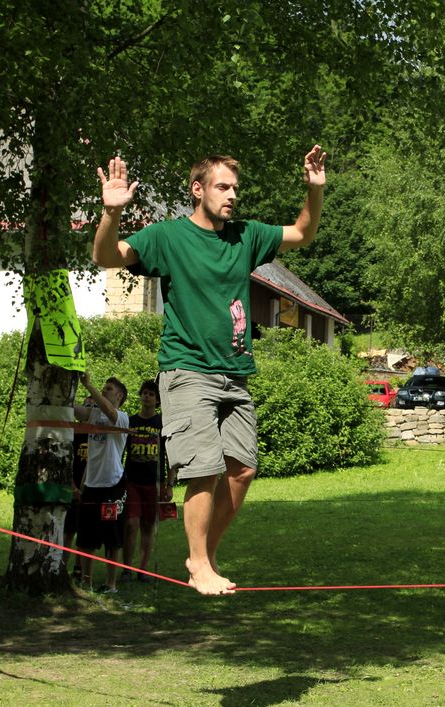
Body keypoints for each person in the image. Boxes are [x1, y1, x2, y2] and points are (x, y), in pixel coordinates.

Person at [92, 146, 327, 595]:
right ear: (197, 190)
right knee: (205, 467)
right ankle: (198, 563)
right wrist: (110, 213)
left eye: (235, 188)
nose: (232, 195)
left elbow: (303, 232)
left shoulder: (245, 236)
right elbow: (106, 256)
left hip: (234, 374)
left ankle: (206, 553)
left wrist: (314, 192)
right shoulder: (168, 237)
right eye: (223, 186)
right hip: (186, 371)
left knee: (241, 470)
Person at [74, 374, 130, 593]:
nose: (104, 391)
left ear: (120, 395)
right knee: (87, 537)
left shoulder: (122, 417)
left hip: (112, 484)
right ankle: (86, 582)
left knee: (112, 537)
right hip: (92, 484)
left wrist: (88, 384)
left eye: (109, 389)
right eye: (104, 388)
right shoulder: (94, 414)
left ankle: (111, 584)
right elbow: (76, 410)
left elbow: (109, 412)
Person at [121, 380, 169, 582]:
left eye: (151, 394)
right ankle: (126, 569)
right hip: (132, 480)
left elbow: (170, 456)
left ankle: (143, 570)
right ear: (140, 396)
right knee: (131, 524)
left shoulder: (162, 424)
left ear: (157, 400)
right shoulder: (130, 422)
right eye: (145, 393)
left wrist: (170, 484)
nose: (147, 397)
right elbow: (120, 451)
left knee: (148, 526)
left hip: (154, 482)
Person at [64, 395, 93, 578]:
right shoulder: (71, 432)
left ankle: (78, 568)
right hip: (71, 488)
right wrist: (73, 487)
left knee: (84, 533)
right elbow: (64, 460)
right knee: (68, 532)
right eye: (86, 405)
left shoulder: (98, 434)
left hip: (90, 488)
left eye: (92, 406)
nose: (88, 408)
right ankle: (61, 566)